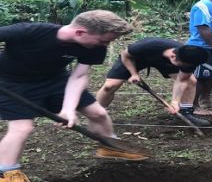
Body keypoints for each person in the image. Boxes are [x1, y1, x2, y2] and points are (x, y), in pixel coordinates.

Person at [0, 10, 132, 182]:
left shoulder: (95, 46)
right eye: (104, 40)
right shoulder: (29, 31)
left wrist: (68, 109)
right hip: (12, 83)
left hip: (55, 80)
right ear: (80, 32)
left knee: (98, 113)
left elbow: (78, 76)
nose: (105, 45)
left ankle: (111, 146)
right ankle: (6, 172)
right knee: (22, 128)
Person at [96, 37, 210, 126]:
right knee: (110, 86)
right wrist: (134, 74)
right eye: (184, 66)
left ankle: (186, 112)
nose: (186, 68)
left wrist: (175, 101)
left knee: (191, 80)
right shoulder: (146, 46)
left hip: (164, 62)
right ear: (173, 56)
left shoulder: (189, 58)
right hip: (136, 59)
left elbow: (182, 80)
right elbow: (125, 55)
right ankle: (96, 114)